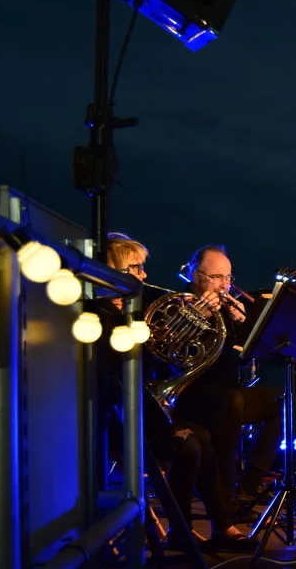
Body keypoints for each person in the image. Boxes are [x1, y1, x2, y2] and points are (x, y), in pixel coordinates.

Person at [102, 234, 256, 551]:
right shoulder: (100, 315)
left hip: (155, 407)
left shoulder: (141, 305)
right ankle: (186, 527)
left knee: (203, 440)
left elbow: (171, 358)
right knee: (191, 445)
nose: (144, 275)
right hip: (119, 414)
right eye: (136, 268)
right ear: (113, 270)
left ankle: (216, 525)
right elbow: (133, 364)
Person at [171, 245, 282, 507]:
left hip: (227, 392)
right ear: (195, 276)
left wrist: (245, 329)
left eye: (228, 278)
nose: (225, 286)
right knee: (230, 401)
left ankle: (250, 482)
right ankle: (227, 493)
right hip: (193, 395)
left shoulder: (229, 309)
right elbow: (180, 359)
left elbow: (242, 362)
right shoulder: (179, 304)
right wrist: (200, 317)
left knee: (283, 399)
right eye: (217, 277)